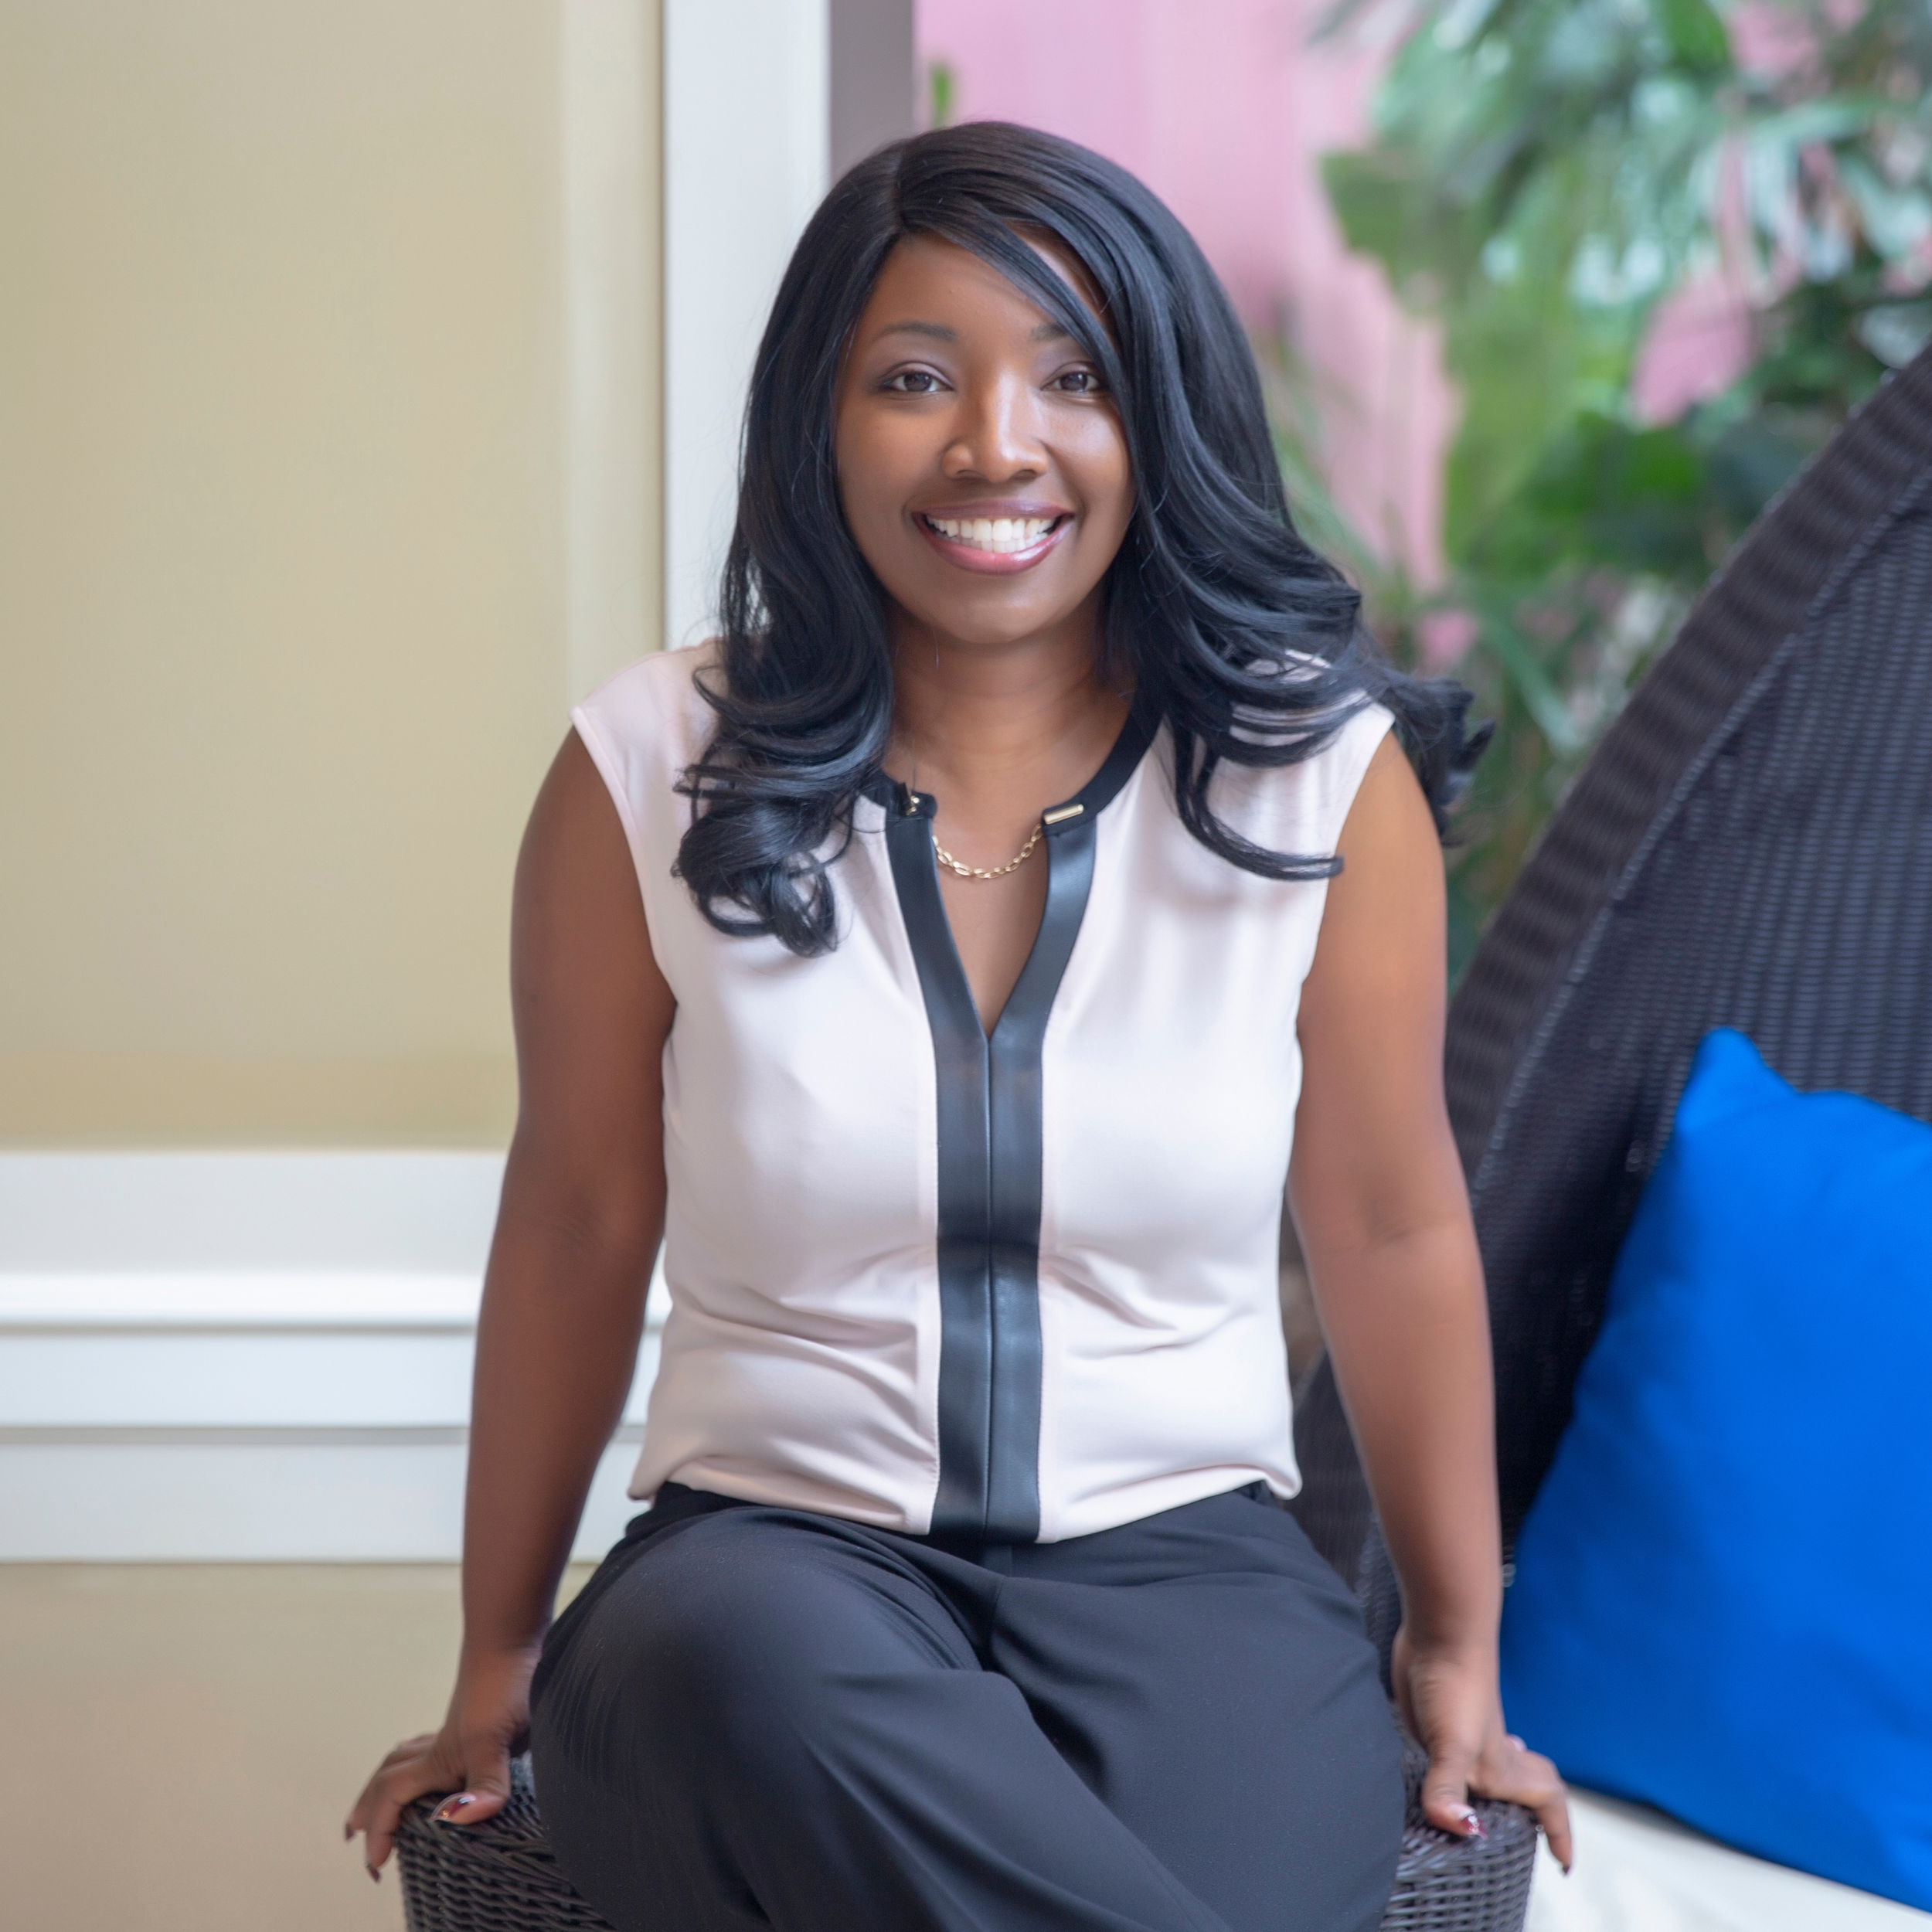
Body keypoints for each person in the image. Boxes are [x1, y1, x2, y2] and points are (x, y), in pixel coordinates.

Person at [347, 123, 1570, 1931]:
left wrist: (1454, 1646)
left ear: (1157, 417)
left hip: (1192, 1575)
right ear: (817, 419)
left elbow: (1389, 1221)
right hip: (762, 1578)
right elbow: (580, 1217)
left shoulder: (1318, 780)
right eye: (915, 378)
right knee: (743, 1691)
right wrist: (498, 1650)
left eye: (1073, 379)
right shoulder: (644, 768)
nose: (996, 444)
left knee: (1237, 1866)